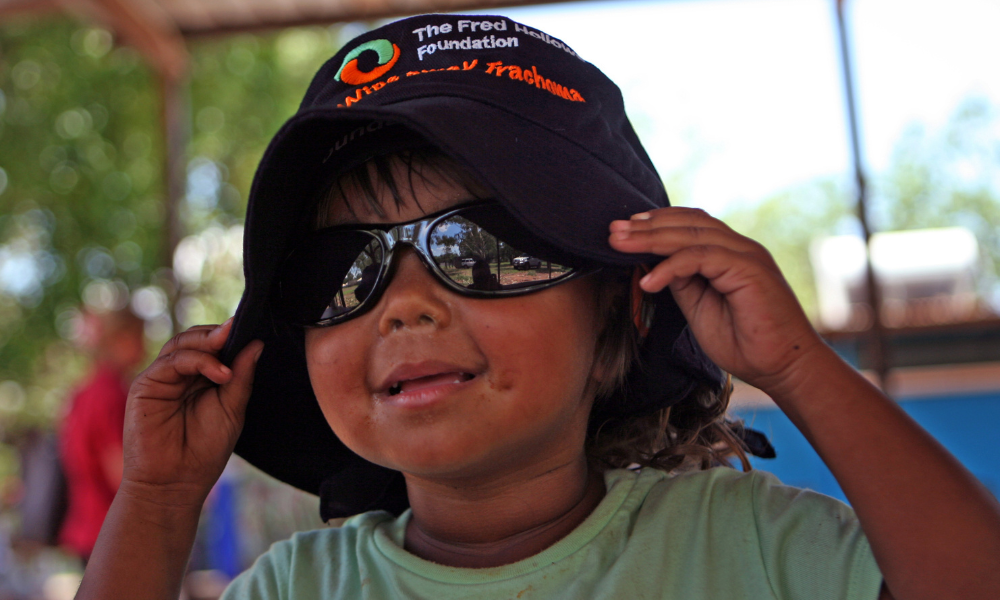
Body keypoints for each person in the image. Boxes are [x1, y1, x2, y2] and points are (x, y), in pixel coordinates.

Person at [77, 14, 1000, 599]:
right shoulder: (301, 585)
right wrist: (159, 502)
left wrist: (799, 369)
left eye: (478, 246)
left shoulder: (750, 546)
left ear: (622, 312)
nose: (404, 307)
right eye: (341, 270)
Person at [58, 307, 145, 562]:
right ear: (120, 339)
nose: (145, 346)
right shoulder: (111, 394)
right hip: (113, 534)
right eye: (140, 337)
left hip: (88, 530)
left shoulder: (82, 393)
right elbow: (121, 474)